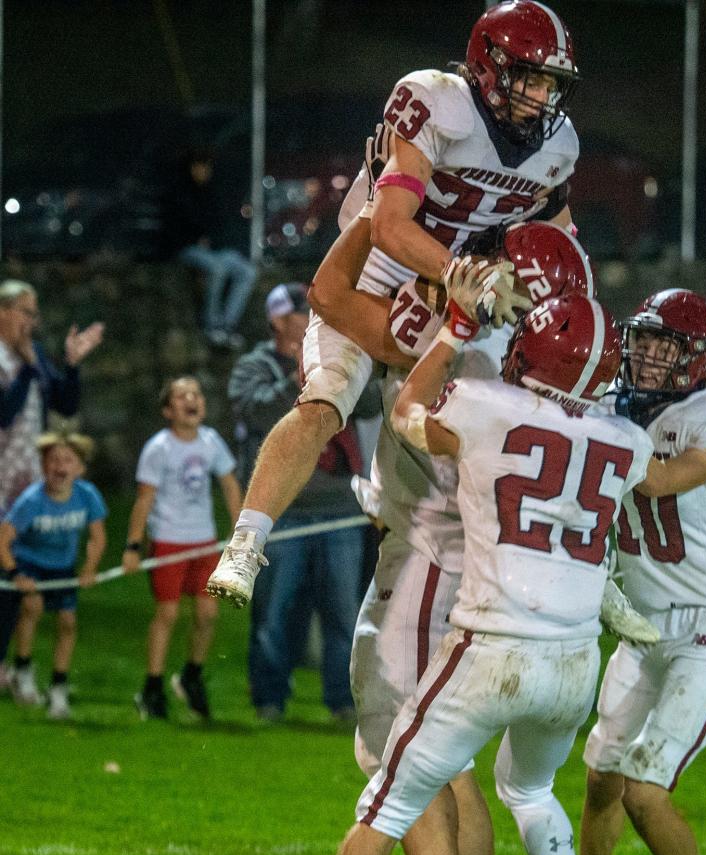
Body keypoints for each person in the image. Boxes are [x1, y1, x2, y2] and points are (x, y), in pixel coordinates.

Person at [229, 292, 654, 855]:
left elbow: (405, 414)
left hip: (491, 644)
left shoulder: (489, 406)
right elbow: (652, 479)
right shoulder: (625, 439)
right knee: (532, 789)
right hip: (576, 657)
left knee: (388, 798)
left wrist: (456, 326)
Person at [206, 0, 581, 608]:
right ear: (488, 67)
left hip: (450, 288)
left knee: (519, 406)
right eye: (529, 77)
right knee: (327, 399)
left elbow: (560, 239)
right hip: (378, 269)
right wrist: (469, 278)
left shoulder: (558, 144)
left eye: (550, 83)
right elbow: (389, 228)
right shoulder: (438, 100)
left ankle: (576, 552)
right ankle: (246, 542)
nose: (540, 96)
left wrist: (558, 301)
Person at [318, 217, 598, 855]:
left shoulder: (463, 342)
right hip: (503, 578)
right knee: (449, 759)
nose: (462, 262)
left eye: (482, 261)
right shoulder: (554, 368)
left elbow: (331, 299)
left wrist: (375, 213)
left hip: (430, 562)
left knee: (391, 744)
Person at [523, 289, 706, 855]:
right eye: (644, 339)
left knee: (646, 786)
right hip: (641, 623)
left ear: (700, 358)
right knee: (602, 774)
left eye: (667, 345)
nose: (649, 354)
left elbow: (656, 480)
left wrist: (591, 426)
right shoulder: (615, 408)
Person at [229, 283, 373, 722]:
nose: (313, 318)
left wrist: (338, 372)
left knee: (344, 613)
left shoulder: (339, 355)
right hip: (284, 511)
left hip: (341, 510)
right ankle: (270, 698)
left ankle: (342, 701)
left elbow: (368, 404)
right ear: (277, 320)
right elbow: (250, 410)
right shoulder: (254, 366)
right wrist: (299, 380)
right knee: (274, 612)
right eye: (301, 312)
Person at [0, 280, 103, 683]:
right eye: (27, 311)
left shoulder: (34, 355)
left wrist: (72, 365)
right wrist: (26, 366)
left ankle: (6, 662)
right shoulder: (14, 359)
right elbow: (5, 413)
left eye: (35, 313)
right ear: (4, 311)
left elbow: (65, 404)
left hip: (26, 482)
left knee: (14, 573)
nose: (33, 320)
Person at [122, 377, 241, 720]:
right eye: (181, 396)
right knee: (168, 614)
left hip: (203, 539)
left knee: (207, 614)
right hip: (169, 539)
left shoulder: (211, 441)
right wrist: (133, 545)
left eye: (196, 394)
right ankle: (153, 687)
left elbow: (230, 483)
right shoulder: (159, 448)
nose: (192, 400)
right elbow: (145, 500)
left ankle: (191, 676)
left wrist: (241, 529)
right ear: (167, 410)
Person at [0, 432, 106, 720]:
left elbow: (97, 537)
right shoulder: (31, 501)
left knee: (67, 623)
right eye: (53, 460)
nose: (60, 466)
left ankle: (58, 686)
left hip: (62, 567)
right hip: (30, 564)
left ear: (79, 468)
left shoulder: (86, 496)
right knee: (31, 607)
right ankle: (22, 669)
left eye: (68, 460)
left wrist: (89, 568)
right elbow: (4, 539)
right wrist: (15, 573)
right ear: (43, 466)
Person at [174, 148, 257, 349]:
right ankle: (212, 326)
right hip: (188, 248)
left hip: (215, 248)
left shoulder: (214, 190)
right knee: (218, 269)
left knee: (247, 271)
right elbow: (179, 228)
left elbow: (222, 223)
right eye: (201, 167)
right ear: (193, 168)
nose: (205, 171)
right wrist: (199, 236)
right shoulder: (180, 192)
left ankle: (228, 325)